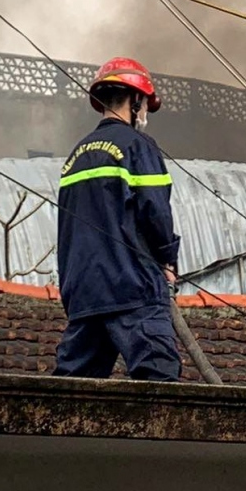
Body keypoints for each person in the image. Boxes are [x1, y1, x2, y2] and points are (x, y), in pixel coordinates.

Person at [53, 57, 181, 381]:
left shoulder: (75, 156)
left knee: (69, 394)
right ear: (136, 100)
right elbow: (156, 212)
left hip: (83, 297)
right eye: (145, 105)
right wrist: (167, 261)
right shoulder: (138, 146)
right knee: (160, 381)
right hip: (132, 289)